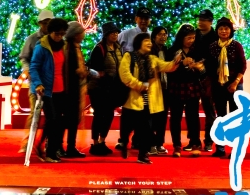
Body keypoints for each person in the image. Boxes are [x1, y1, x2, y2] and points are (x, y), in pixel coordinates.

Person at [119, 32, 180, 164]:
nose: (149, 43)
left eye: (150, 41)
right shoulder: (129, 56)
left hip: (148, 101)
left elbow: (167, 66)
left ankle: (143, 154)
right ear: (139, 43)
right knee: (127, 127)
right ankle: (123, 142)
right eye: (146, 41)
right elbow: (125, 75)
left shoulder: (152, 59)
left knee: (146, 129)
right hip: (133, 99)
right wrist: (140, 85)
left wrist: (176, 61)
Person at [30, 17, 69, 163]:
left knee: (57, 122)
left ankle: (44, 146)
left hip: (61, 90)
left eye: (62, 34)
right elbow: (34, 67)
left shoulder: (64, 46)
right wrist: (38, 84)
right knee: (52, 120)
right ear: (50, 32)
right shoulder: (41, 47)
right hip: (46, 91)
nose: (59, 37)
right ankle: (49, 152)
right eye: (57, 34)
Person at [208, 17, 247, 158]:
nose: (223, 31)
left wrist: (235, 83)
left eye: (226, 28)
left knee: (236, 118)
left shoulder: (236, 46)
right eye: (221, 28)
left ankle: (235, 149)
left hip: (235, 85)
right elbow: (210, 67)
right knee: (221, 117)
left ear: (230, 31)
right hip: (219, 86)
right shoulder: (213, 46)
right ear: (217, 31)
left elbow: (243, 66)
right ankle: (220, 148)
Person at [166, 24, 204, 158]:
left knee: (193, 116)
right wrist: (181, 64)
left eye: (193, 38)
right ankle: (176, 145)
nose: (191, 40)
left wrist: (198, 67)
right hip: (176, 86)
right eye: (188, 38)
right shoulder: (172, 51)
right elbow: (168, 71)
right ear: (181, 38)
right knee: (175, 117)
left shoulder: (197, 50)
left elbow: (203, 70)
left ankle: (195, 143)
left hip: (193, 86)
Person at [18, 9, 53, 153]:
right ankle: (27, 143)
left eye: (49, 23)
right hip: (35, 82)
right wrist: (28, 70)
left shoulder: (55, 39)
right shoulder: (32, 39)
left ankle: (48, 144)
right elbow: (24, 57)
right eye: (45, 23)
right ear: (40, 23)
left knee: (51, 116)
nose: (47, 26)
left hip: (51, 83)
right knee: (35, 114)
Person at [88, 21, 123, 155]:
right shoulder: (99, 48)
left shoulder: (118, 48)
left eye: (116, 32)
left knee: (109, 114)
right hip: (99, 88)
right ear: (106, 35)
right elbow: (92, 69)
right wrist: (102, 74)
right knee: (99, 114)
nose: (115, 35)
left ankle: (102, 141)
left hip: (112, 88)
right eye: (112, 33)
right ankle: (95, 143)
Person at [193, 9, 217, 153]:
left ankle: (208, 141)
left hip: (209, 78)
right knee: (192, 111)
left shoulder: (215, 37)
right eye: (199, 19)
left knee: (209, 111)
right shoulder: (194, 34)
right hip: (192, 77)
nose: (200, 22)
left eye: (203, 20)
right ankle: (194, 141)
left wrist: (203, 64)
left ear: (210, 22)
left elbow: (216, 59)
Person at [63, 21, 87, 158]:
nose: (84, 34)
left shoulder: (75, 48)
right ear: (76, 34)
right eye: (82, 31)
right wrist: (79, 71)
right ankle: (66, 147)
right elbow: (69, 70)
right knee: (70, 120)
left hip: (75, 89)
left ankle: (69, 147)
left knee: (73, 120)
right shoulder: (69, 49)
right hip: (71, 90)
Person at [148, 25, 170, 155]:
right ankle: (151, 144)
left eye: (165, 34)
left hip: (165, 88)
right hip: (153, 88)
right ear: (154, 37)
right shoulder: (150, 51)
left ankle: (159, 143)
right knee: (151, 117)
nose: (163, 37)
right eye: (160, 34)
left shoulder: (167, 50)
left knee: (162, 117)